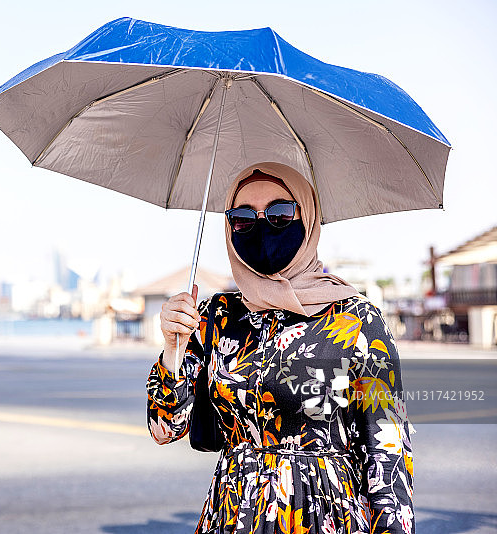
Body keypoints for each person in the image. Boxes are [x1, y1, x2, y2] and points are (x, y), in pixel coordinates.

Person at [146, 162, 415, 534]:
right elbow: (165, 427)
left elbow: (386, 450)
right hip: (232, 515)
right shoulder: (214, 316)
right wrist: (172, 347)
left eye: (280, 213)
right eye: (242, 217)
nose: (261, 226)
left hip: (324, 515)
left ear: (308, 217)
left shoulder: (357, 320)